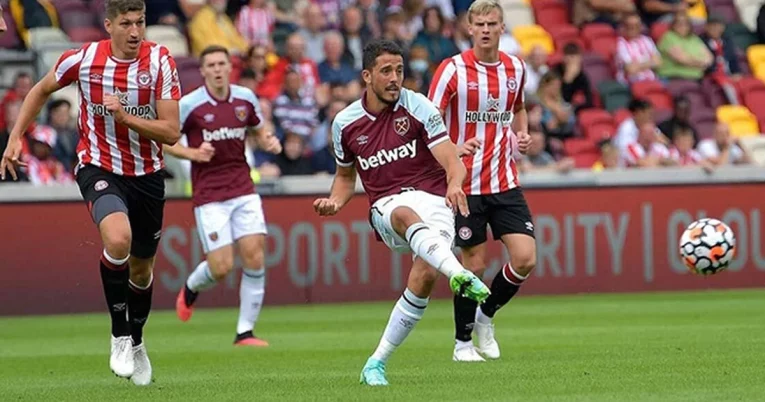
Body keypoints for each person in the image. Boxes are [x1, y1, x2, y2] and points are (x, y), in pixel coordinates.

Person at [0, 0, 181, 386]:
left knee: (142, 269)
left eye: (141, 23)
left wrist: (127, 117)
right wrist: (15, 137)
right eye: (127, 24)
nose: (135, 32)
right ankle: (118, 334)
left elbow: (172, 132)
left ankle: (137, 340)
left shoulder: (160, 61)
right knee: (119, 238)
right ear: (109, 25)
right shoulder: (83, 59)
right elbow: (41, 89)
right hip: (99, 167)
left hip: (147, 174)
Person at [313, 39, 490, 386]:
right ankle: (460, 274)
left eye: (399, 70)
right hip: (388, 205)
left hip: (436, 201)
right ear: (367, 76)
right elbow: (345, 179)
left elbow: (452, 161)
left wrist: (455, 184)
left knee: (424, 275)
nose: (395, 78)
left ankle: (375, 363)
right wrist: (335, 202)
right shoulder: (345, 123)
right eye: (386, 71)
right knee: (407, 213)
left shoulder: (419, 107)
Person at [428, 0, 535, 363]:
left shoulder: (515, 68)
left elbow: (518, 107)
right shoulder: (452, 69)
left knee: (525, 258)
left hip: (505, 180)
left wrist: (522, 134)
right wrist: (454, 148)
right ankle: (462, 344)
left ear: (503, 28)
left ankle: (486, 315)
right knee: (473, 267)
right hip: (466, 184)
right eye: (480, 24)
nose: (487, 29)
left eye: (493, 23)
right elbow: (428, 119)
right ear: (469, 28)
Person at [165, 45, 282, 346]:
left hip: (243, 187)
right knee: (221, 266)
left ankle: (245, 332)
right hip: (210, 194)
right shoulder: (190, 104)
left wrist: (268, 139)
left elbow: (258, 126)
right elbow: (162, 140)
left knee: (255, 256)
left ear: (230, 67)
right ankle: (191, 288)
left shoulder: (245, 98)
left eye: (221, 63)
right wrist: (192, 153)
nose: (217, 69)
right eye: (211, 65)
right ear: (202, 71)